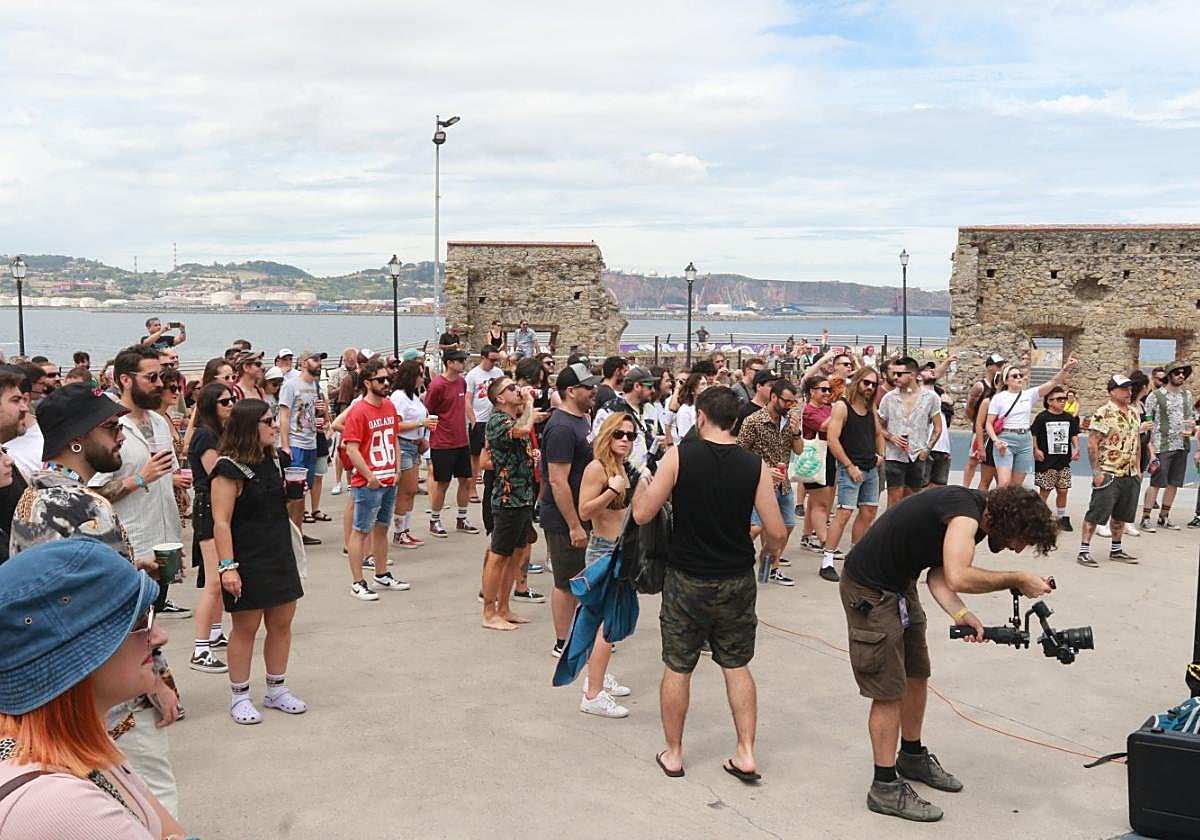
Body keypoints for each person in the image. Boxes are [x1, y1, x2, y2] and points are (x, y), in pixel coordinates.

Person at [9, 383, 182, 815]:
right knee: (151, 806)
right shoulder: (83, 505)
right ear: (76, 438)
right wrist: (158, 679)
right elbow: (117, 614)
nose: (120, 434)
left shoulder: (36, 496)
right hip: (111, 694)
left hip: (63, 690)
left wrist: (131, 566)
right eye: (110, 426)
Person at [839, 485, 1057, 822]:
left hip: (898, 585)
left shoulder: (976, 522)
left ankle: (911, 755)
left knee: (916, 673)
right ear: (1008, 522)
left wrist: (961, 615)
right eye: (1020, 540)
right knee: (888, 690)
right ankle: (884, 787)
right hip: (869, 589)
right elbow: (958, 575)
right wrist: (1016, 578)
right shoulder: (965, 513)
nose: (1016, 548)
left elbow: (939, 576)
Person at [633, 386, 786, 781]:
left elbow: (645, 514)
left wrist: (639, 489)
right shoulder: (754, 465)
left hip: (687, 576)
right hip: (735, 576)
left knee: (678, 665)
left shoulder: (679, 456)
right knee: (736, 664)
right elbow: (776, 529)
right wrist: (768, 549)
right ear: (736, 421)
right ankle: (746, 752)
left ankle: (674, 753)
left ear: (700, 417)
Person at [0, 539, 189, 839]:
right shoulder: (60, 807)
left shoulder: (70, 742)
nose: (160, 636)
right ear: (74, 657)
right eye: (140, 624)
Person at [211, 398, 306, 725]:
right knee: (246, 628)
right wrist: (228, 566)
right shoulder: (228, 468)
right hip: (247, 557)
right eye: (268, 421)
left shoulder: (275, 459)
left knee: (281, 624)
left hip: (279, 551)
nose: (275, 426)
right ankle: (239, 696)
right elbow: (221, 521)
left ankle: (276, 689)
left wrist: (295, 494)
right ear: (250, 427)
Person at [90, 345, 189, 620]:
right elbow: (91, 494)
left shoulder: (159, 422)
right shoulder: (106, 427)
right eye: (152, 377)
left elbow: (165, 470)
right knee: (129, 626)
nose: (160, 384)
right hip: (129, 549)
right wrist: (139, 479)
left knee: (152, 626)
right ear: (126, 379)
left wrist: (174, 482)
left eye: (161, 377)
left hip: (165, 544)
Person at [575, 413, 640, 718]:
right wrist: (612, 491)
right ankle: (593, 694)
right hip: (603, 551)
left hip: (619, 550)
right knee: (606, 625)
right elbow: (585, 511)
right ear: (607, 436)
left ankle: (597, 679)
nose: (625, 439)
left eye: (630, 435)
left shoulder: (622, 467)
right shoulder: (597, 469)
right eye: (619, 434)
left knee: (610, 622)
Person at [540, 362, 600, 658]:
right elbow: (557, 480)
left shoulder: (581, 419)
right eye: (588, 387)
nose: (594, 390)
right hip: (565, 518)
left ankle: (578, 633)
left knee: (580, 577)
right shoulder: (562, 427)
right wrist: (574, 525)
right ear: (571, 391)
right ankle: (563, 642)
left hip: (582, 513)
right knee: (566, 582)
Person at [342, 358, 408, 601]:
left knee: (382, 527)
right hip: (369, 481)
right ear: (368, 383)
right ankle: (357, 581)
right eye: (381, 380)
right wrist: (369, 476)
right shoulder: (359, 410)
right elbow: (351, 448)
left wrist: (397, 468)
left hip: (389, 477)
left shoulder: (389, 407)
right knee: (360, 530)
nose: (386, 383)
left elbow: (394, 439)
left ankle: (381, 573)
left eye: (387, 379)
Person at [187, 382, 238, 675]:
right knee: (214, 582)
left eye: (232, 399)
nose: (230, 404)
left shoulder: (218, 432)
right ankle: (200, 648)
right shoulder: (205, 436)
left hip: (216, 507)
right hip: (209, 509)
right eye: (224, 401)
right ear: (210, 406)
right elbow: (218, 472)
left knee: (217, 577)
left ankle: (215, 631)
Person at [480, 375, 538, 630]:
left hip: (522, 497)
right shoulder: (497, 421)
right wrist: (528, 401)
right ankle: (489, 611)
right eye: (511, 388)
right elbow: (525, 429)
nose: (517, 390)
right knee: (498, 555)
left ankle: (504, 607)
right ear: (499, 398)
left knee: (515, 554)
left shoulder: (511, 419)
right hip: (507, 498)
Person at [737, 378, 805, 586]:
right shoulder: (754, 420)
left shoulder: (789, 421)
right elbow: (739, 452)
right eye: (786, 401)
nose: (790, 406)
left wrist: (796, 432)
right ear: (774, 397)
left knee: (786, 527)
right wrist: (764, 469)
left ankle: (770, 565)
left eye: (793, 402)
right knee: (756, 527)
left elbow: (799, 450)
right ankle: (735, 560)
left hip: (783, 483)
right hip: (760, 484)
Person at [822, 367, 885, 574]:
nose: (869, 387)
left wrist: (881, 456)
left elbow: (877, 433)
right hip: (850, 467)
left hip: (870, 467)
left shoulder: (870, 407)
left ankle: (855, 557)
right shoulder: (842, 406)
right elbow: (833, 439)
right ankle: (828, 560)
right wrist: (849, 466)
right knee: (844, 512)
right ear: (857, 382)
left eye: (873, 384)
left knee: (868, 511)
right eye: (866, 382)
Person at [1077, 375, 1144, 568]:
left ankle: (1116, 549)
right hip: (1109, 471)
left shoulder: (1133, 412)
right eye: (1124, 389)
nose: (1128, 392)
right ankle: (1084, 550)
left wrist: (1138, 468)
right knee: (1096, 513)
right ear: (1112, 391)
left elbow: (1136, 441)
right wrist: (1096, 472)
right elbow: (1092, 443)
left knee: (1122, 514)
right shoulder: (1103, 412)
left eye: (1130, 389)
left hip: (1129, 472)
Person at [985, 356, 1077, 488]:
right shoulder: (999, 398)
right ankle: (998, 508)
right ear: (1006, 381)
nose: (1019, 378)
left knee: (1016, 485)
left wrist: (1065, 368)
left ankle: (1012, 508)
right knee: (1004, 483)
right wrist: (995, 440)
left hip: (1024, 440)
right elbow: (989, 423)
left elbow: (1052, 383)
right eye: (1014, 376)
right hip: (1005, 439)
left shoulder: (1028, 395)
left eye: (1020, 375)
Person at [424, 348, 479, 538]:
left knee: (465, 480)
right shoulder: (437, 385)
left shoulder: (462, 383)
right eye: (459, 360)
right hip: (442, 442)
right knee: (443, 483)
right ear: (449, 363)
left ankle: (462, 518)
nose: (463, 364)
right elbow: (428, 409)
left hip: (461, 440)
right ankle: (435, 520)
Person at [878, 357, 943, 505]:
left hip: (917, 454)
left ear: (912, 375)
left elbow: (938, 427)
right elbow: (878, 424)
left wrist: (927, 449)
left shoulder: (930, 398)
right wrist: (890, 436)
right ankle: (891, 528)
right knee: (894, 498)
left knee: (911, 500)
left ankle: (907, 527)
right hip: (894, 455)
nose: (895, 377)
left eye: (899, 374)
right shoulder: (889, 398)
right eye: (894, 374)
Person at [1140, 360, 1194, 532]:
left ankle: (1164, 516)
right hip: (1161, 445)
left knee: (1174, 483)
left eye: (1183, 373)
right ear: (1169, 375)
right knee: (1156, 482)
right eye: (1177, 372)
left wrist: (1192, 425)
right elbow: (1148, 420)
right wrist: (1150, 446)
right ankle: (1146, 517)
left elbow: (1190, 417)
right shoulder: (1156, 396)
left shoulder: (1187, 396)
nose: (1181, 375)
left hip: (1182, 445)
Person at [278, 350, 323, 547]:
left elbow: (312, 413)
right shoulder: (290, 385)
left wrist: (321, 417)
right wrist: (286, 445)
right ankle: (284, 533)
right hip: (296, 443)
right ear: (304, 363)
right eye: (315, 359)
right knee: (292, 491)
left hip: (311, 441)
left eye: (320, 360)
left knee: (303, 490)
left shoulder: (314, 385)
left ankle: (297, 533)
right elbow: (284, 415)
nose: (319, 363)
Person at [389, 360, 436, 550]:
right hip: (403, 444)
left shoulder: (413, 396)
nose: (422, 378)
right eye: (419, 374)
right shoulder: (399, 397)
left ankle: (405, 529)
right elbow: (396, 425)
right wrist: (421, 425)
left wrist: (422, 436)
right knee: (406, 491)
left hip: (414, 445)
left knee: (410, 491)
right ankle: (400, 532)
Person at [799, 375, 838, 572]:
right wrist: (838, 411)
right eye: (823, 389)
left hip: (828, 457)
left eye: (828, 390)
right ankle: (825, 541)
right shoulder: (809, 411)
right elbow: (824, 426)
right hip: (815, 457)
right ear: (812, 391)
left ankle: (807, 535)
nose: (827, 393)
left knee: (817, 502)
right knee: (820, 503)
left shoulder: (828, 408)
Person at [1031, 386, 1080, 531]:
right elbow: (1033, 434)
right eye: (1059, 399)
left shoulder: (1069, 418)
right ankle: (1040, 517)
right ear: (1049, 401)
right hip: (1046, 460)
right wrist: (1036, 449)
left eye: (1064, 399)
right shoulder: (1042, 417)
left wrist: (1076, 448)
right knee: (1045, 491)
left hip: (1063, 461)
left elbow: (1073, 434)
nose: (1063, 402)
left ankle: (1061, 516)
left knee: (1063, 490)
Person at [962, 353, 1005, 488]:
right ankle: (965, 487)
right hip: (982, 427)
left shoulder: (1003, 388)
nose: (1000, 368)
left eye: (1001, 365)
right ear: (989, 366)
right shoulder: (980, 386)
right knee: (973, 459)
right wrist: (977, 422)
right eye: (997, 365)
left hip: (997, 430)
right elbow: (969, 407)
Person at [465, 346, 504, 494]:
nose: (494, 363)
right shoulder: (473, 375)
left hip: (494, 418)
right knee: (475, 455)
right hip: (479, 419)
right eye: (491, 360)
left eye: (496, 360)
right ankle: (472, 487)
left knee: (494, 452)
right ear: (483, 358)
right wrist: (473, 420)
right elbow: (468, 399)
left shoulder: (498, 373)